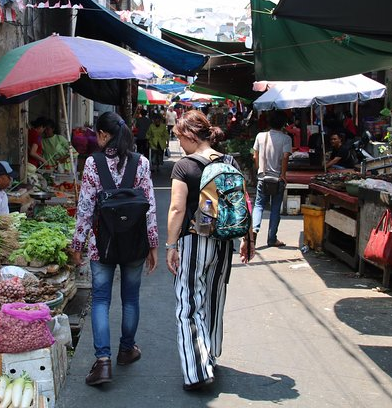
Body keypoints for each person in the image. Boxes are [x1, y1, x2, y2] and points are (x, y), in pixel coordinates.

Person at [165, 110, 254, 391]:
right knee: (215, 299)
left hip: (195, 241)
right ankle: (210, 355)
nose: (180, 144)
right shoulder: (229, 161)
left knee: (188, 305)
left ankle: (197, 371)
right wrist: (248, 239)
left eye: (180, 138)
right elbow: (244, 202)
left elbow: (177, 209)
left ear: (191, 135)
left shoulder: (185, 166)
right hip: (225, 243)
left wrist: (170, 245)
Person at [70, 111, 159, 386]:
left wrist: (77, 245)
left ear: (105, 135)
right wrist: (153, 245)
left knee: (101, 300)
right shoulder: (141, 162)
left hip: (101, 244)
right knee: (130, 299)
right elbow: (149, 207)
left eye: (98, 134)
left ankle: (103, 362)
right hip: (134, 243)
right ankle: (126, 350)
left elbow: (85, 208)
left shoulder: (93, 164)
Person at [252, 110, 292, 248]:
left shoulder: (260, 136)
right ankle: (272, 239)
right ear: (283, 124)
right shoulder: (286, 138)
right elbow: (286, 157)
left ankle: (254, 231)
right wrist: (283, 175)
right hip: (277, 179)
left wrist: (259, 170)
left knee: (258, 206)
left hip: (263, 177)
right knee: (275, 208)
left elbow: (255, 156)